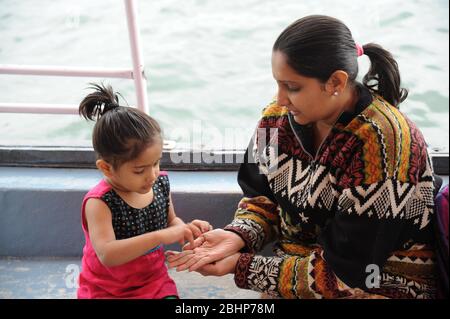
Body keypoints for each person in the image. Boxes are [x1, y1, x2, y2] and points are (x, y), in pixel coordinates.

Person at [167, 15, 437, 299]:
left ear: (335, 81)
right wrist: (239, 235)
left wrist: (241, 267)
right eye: (278, 84)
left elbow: (349, 271)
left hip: (382, 281)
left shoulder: (383, 141)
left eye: (292, 87)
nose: (280, 99)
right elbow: (261, 197)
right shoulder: (275, 119)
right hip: (298, 270)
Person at [77, 83, 211, 299]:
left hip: (153, 281)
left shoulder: (159, 184)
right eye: (139, 170)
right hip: (106, 289)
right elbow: (107, 254)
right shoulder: (100, 202)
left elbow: (171, 222)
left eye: (156, 163)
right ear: (106, 168)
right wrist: (160, 235)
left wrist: (186, 230)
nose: (152, 174)